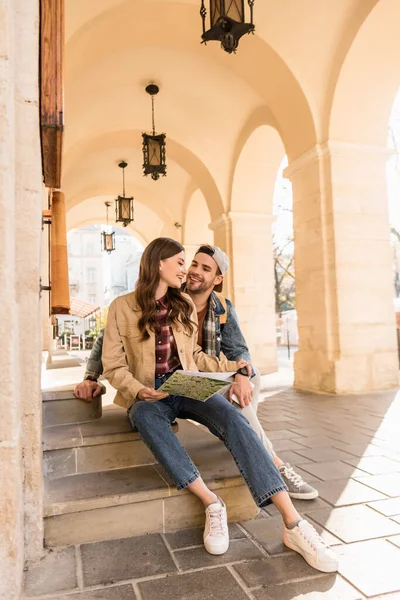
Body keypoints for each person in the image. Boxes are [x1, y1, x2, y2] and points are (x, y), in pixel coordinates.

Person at [99, 237, 338, 572]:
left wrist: (232, 367)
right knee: (145, 418)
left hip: (185, 386)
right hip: (147, 395)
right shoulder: (122, 308)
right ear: (158, 264)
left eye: (190, 263)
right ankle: (212, 503)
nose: (186, 269)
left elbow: (194, 357)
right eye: (181, 262)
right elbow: (113, 365)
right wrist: (138, 390)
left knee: (235, 418)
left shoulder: (181, 304)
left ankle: (294, 524)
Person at [75, 245, 318, 500]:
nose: (192, 271)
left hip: (200, 375)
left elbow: (237, 350)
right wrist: (91, 376)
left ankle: (266, 460)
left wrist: (242, 374)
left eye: (205, 268)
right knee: (235, 410)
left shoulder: (222, 307)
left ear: (218, 279)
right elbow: (110, 342)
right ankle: (266, 460)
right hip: (171, 380)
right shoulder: (165, 291)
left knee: (246, 391)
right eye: (191, 264)